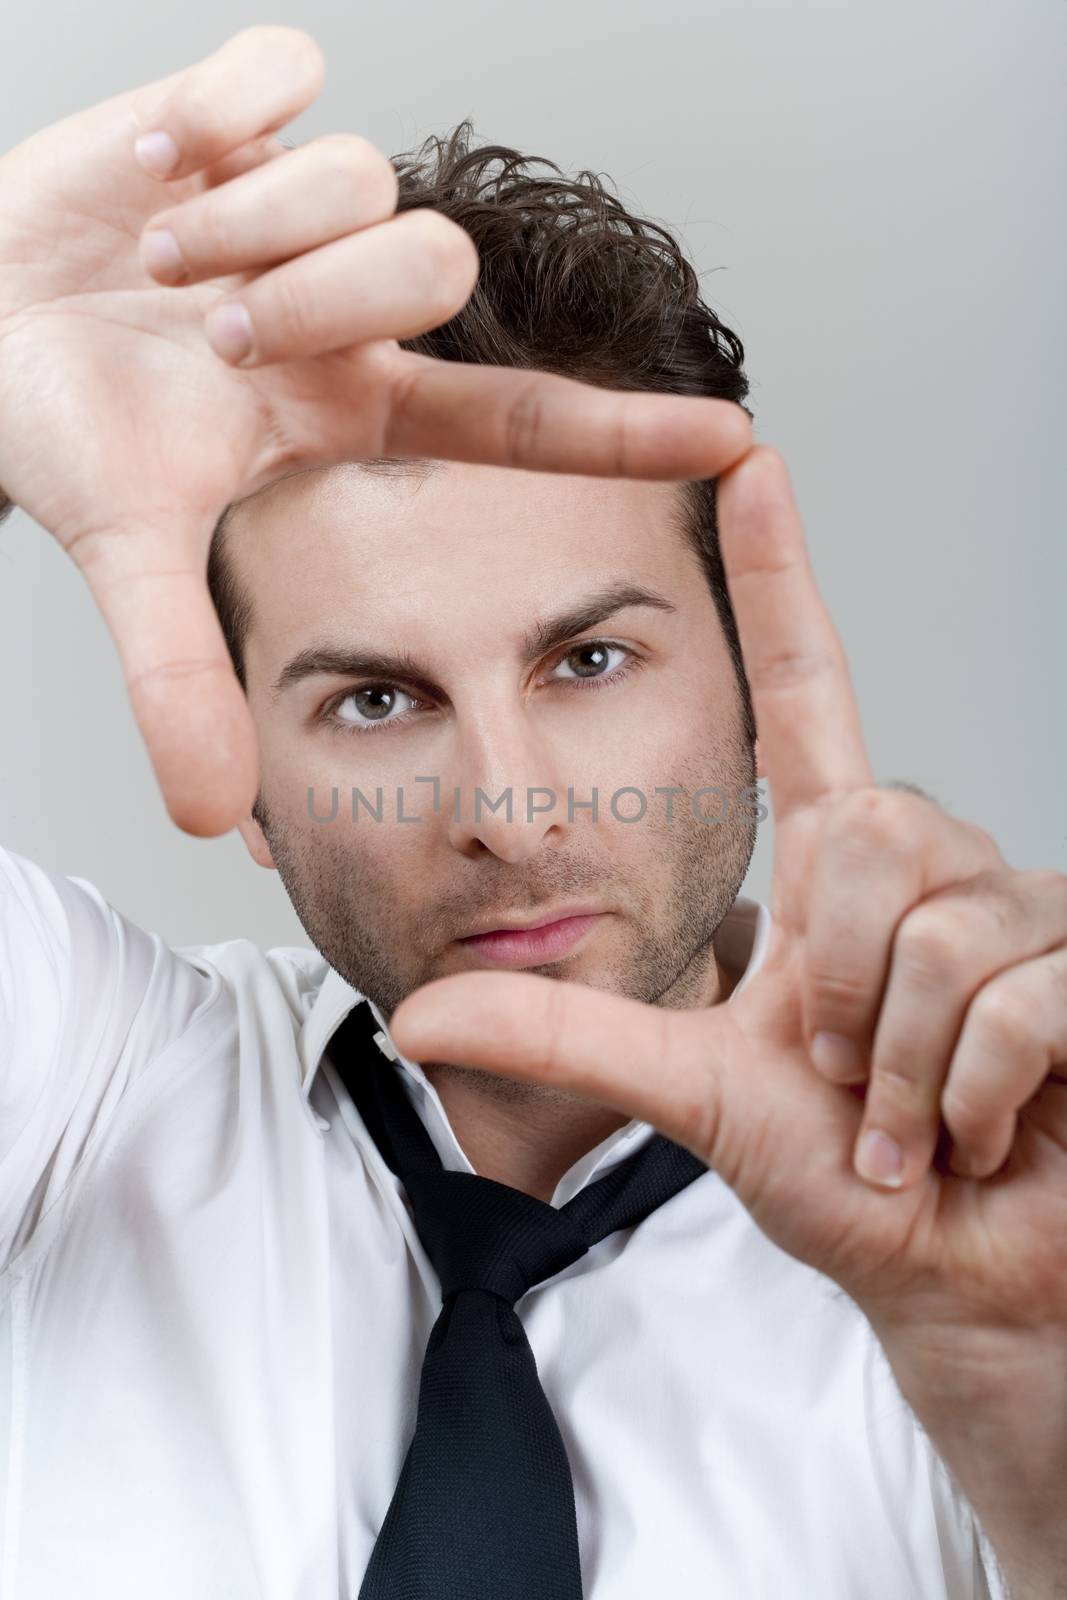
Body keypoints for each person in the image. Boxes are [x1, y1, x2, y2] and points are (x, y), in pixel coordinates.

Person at [0, 24, 1063, 1600]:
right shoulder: (73, 1085)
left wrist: (1037, 1416)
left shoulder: (1001, 1212)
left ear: (747, 686)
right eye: (374, 700)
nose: (506, 809)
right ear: (251, 785)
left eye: (590, 658)